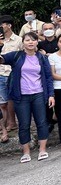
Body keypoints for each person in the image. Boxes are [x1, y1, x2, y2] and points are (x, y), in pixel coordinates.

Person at [0, 32, 54, 163]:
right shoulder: (16, 56)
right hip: (21, 96)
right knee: (24, 125)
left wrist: (51, 95)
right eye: (27, 40)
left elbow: (48, 77)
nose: (30, 42)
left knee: (41, 122)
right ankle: (26, 152)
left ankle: (42, 150)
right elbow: (1, 59)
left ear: (37, 42)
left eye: (33, 40)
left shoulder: (42, 58)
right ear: (23, 42)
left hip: (39, 94)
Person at [0, 15, 22, 141]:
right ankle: (7, 123)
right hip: (0, 73)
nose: (1, 27)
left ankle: (13, 122)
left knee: (12, 99)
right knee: (3, 102)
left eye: (3, 25)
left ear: (9, 25)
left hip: (13, 73)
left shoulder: (18, 40)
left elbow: (22, 55)